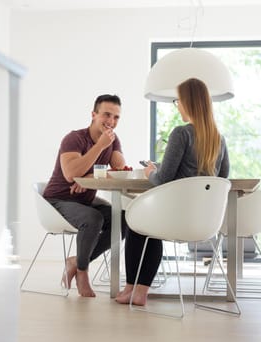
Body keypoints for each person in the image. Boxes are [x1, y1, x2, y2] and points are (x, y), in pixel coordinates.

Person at [115, 78, 230, 306]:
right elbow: (222, 177)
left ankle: (132, 288)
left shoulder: (181, 133)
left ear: (187, 102)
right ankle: (140, 291)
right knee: (148, 225)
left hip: (176, 218)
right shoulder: (219, 139)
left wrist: (150, 172)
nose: (177, 105)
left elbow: (163, 179)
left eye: (178, 100)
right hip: (204, 223)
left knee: (137, 222)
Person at [43, 94, 127, 297]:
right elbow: (71, 174)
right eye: (107, 115)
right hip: (58, 200)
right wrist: (100, 147)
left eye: (116, 117)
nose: (111, 122)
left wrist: (88, 177)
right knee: (93, 219)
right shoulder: (74, 138)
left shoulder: (112, 141)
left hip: (85, 199)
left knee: (121, 220)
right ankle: (82, 272)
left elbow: (120, 169)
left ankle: (77, 261)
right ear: (93, 114)